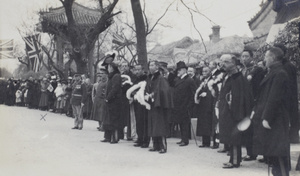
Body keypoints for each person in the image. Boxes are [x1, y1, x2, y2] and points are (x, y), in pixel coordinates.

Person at [252, 47, 291, 176]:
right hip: (272, 119)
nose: (264, 59)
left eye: (266, 56)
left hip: (276, 119)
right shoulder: (272, 72)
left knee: (278, 155)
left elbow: (274, 98)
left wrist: (266, 118)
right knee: (273, 155)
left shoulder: (279, 73)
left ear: (272, 58)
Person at [218, 54, 253, 169]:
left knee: (234, 137)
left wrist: (236, 114)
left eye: (226, 62)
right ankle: (232, 159)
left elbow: (240, 99)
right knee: (229, 135)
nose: (222, 64)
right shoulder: (228, 76)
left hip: (234, 113)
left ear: (233, 63)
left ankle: (234, 161)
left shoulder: (238, 78)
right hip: (226, 111)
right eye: (221, 61)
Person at [240, 49, 266, 161]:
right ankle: (250, 152)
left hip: (254, 102)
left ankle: (260, 153)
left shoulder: (257, 70)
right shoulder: (242, 70)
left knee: (256, 129)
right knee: (247, 129)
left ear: (251, 57)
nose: (244, 58)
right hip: (245, 103)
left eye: (246, 56)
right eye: (243, 56)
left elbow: (258, 88)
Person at [146, 60, 173, 154]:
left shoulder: (161, 78)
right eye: (149, 65)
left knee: (160, 125)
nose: (150, 67)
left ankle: (163, 146)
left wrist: (152, 95)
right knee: (153, 125)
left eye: (152, 65)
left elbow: (164, 91)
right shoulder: (151, 77)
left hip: (159, 104)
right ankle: (155, 145)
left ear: (157, 67)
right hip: (152, 104)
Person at [172, 61, 197, 147]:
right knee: (180, 122)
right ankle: (183, 138)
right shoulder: (178, 80)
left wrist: (190, 105)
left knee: (185, 123)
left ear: (184, 70)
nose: (178, 71)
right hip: (179, 105)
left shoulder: (189, 80)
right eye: (177, 70)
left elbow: (193, 93)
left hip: (185, 105)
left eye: (179, 70)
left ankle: (185, 139)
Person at [102, 62, 122, 144]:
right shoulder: (110, 76)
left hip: (114, 101)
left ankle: (115, 137)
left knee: (114, 119)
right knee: (108, 119)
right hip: (110, 101)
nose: (108, 68)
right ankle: (107, 137)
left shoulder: (116, 76)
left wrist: (108, 97)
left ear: (112, 68)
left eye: (109, 67)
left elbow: (115, 88)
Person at [195, 66, 214, 148]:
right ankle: (204, 142)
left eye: (206, 71)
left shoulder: (213, 80)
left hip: (210, 104)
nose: (204, 73)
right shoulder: (203, 81)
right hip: (203, 104)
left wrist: (207, 94)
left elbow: (215, 92)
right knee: (203, 123)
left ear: (210, 72)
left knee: (209, 123)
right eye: (203, 72)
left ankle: (212, 142)